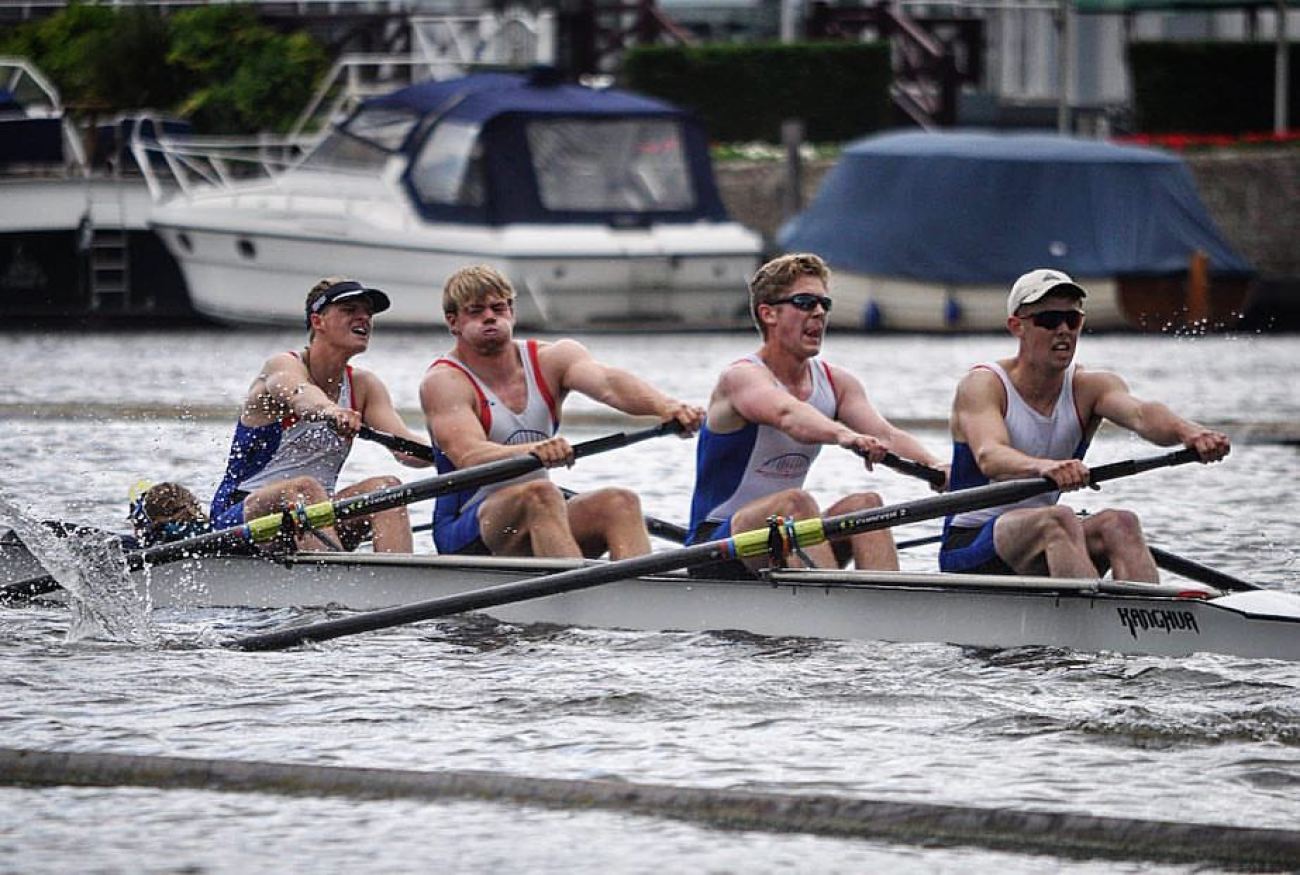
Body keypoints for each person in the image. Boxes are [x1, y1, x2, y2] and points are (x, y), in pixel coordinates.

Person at [940, 268, 1231, 580]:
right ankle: (1094, 619)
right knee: (1058, 520)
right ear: (1017, 326)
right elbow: (991, 456)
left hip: (1045, 533)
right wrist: (1044, 467)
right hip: (970, 543)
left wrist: (1190, 432)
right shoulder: (983, 384)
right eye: (1049, 320)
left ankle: (1148, 619)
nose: (1063, 330)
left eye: (1073, 319)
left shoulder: (1090, 387)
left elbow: (1143, 415)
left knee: (1121, 523)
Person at [685, 252, 946, 577]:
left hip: (781, 537)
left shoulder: (837, 383)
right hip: (716, 546)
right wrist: (844, 435)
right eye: (806, 302)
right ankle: (831, 609)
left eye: (825, 304)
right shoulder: (741, 378)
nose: (820, 313)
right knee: (795, 504)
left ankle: (890, 611)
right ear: (768, 314)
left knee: (865, 505)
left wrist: (939, 467)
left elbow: (887, 435)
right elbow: (787, 415)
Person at [420, 264, 704, 559]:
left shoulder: (552, 359)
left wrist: (666, 407)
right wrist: (535, 450)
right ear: (453, 323)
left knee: (620, 502)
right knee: (540, 494)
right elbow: (469, 456)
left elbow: (609, 384)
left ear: (512, 312)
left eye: (498, 308)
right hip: (469, 528)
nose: (490, 317)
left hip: (540, 516)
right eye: (476, 311)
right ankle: (575, 598)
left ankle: (639, 598)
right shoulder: (445, 381)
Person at [210, 277, 432, 552]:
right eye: (350, 310)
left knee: (387, 490)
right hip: (240, 518)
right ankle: (335, 583)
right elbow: (301, 395)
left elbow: (406, 449)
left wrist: (458, 454)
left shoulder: (364, 386)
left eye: (367, 312)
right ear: (318, 322)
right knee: (304, 488)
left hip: (314, 519)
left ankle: (400, 585)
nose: (364, 318)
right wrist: (331, 411)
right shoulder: (282, 366)